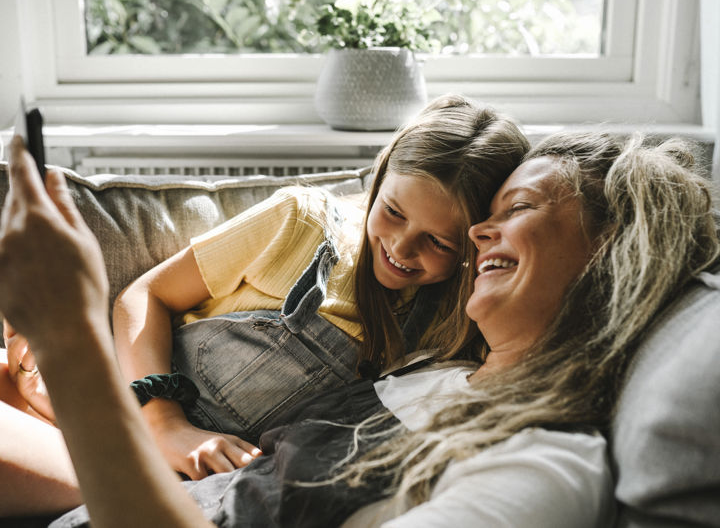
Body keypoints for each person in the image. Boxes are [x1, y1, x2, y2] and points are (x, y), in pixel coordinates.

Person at [1, 128, 717, 527]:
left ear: (613, 252)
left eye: (519, 208)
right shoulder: (441, 363)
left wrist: (71, 338)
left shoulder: (542, 465)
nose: (477, 232)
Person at [105, 93, 530, 479]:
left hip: (220, 482)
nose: (401, 247)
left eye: (438, 241)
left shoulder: (456, 318)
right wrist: (165, 424)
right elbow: (144, 295)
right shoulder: (299, 223)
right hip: (131, 418)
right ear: (380, 178)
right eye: (393, 211)